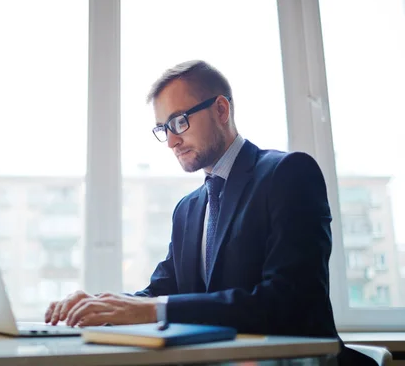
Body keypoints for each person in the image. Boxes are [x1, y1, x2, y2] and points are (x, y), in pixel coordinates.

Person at [44, 60, 373, 365]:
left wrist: (149, 310)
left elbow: (289, 302)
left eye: (179, 122)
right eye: (163, 128)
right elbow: (161, 293)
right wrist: (99, 306)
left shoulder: (288, 173)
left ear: (220, 109)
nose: (172, 141)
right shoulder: (187, 210)